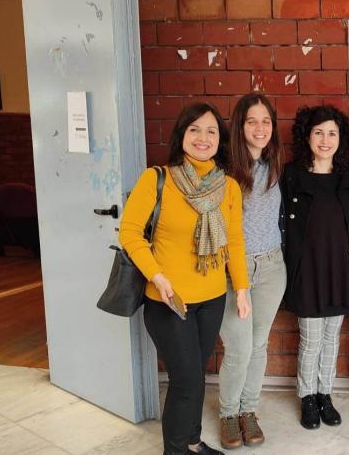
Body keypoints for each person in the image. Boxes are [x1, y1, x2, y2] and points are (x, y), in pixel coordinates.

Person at [120, 103, 248, 455]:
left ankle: (191, 442)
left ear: (220, 140)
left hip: (211, 298)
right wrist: (157, 276)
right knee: (187, 380)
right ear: (182, 135)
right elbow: (129, 232)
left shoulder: (229, 187)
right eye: (195, 129)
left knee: (196, 376)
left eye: (211, 131)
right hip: (168, 300)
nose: (203, 138)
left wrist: (241, 288)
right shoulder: (156, 179)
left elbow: (234, 242)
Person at [281, 105, 349, 430]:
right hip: (306, 270)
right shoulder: (291, 175)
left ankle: (325, 393)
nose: (325, 140)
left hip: (339, 269)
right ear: (307, 136)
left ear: (341, 139)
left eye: (332, 133)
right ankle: (307, 397)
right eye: (318, 132)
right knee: (311, 339)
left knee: (331, 338)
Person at [217, 94, 285, 449]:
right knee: (239, 348)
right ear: (239, 126)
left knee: (259, 345)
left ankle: (249, 410)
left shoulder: (273, 165)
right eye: (252, 121)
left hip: (272, 267)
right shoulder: (224, 170)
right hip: (233, 273)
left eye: (266, 121)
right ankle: (228, 414)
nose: (260, 128)